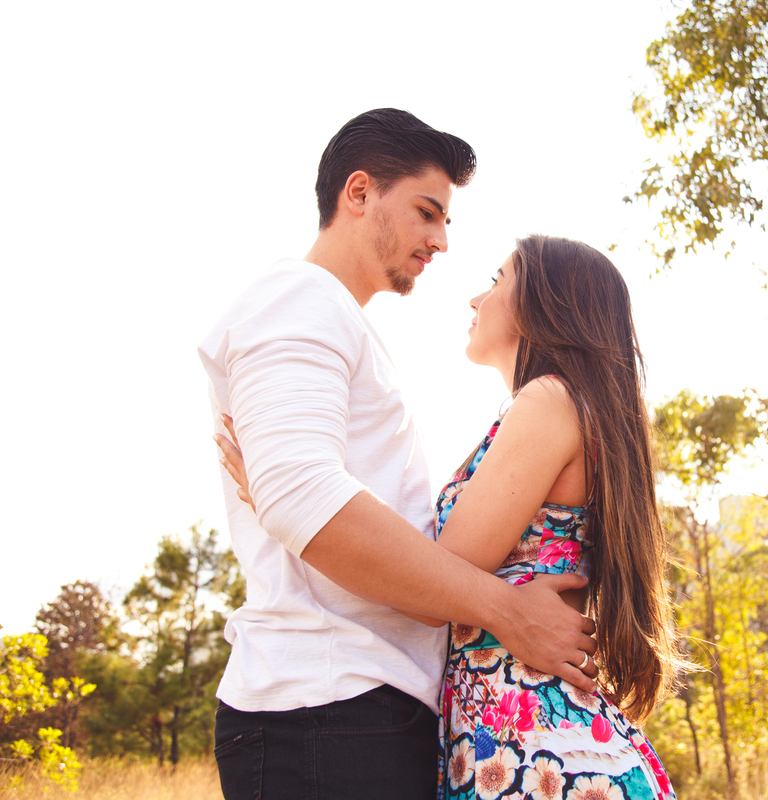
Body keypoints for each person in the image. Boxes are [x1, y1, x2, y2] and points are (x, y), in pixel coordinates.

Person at [199, 109, 597, 800]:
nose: (440, 240)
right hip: (325, 709)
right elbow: (301, 496)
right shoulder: (298, 298)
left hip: (361, 712)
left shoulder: (335, 319)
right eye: (426, 212)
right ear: (359, 193)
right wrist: (507, 610)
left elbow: (296, 495)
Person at [220, 235, 681, 799]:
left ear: (544, 303)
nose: (476, 299)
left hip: (532, 744)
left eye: (497, 280)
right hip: (521, 736)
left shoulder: (549, 400)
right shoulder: (567, 407)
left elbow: (436, 579)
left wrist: (290, 494)